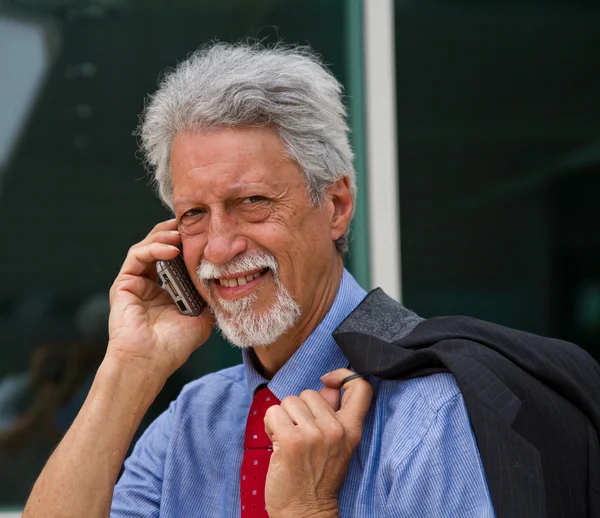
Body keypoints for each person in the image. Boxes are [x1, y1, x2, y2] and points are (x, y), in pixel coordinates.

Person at [25, 42, 509, 517]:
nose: (218, 247)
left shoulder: (433, 410)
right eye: (194, 213)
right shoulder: (192, 421)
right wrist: (128, 369)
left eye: (252, 202)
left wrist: (307, 511)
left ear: (336, 207)